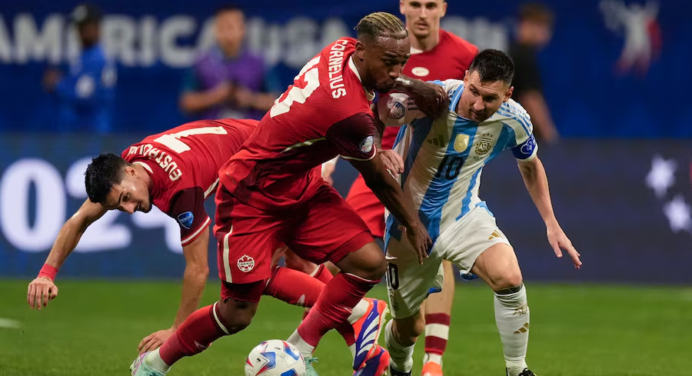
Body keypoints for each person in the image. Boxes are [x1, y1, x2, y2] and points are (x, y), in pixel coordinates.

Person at [130, 12, 448, 376]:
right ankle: (154, 364)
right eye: (389, 62)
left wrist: (410, 85)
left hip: (302, 188)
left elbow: (379, 86)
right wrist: (412, 224)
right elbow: (377, 177)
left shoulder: (341, 48)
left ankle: (299, 348)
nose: (396, 71)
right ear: (362, 51)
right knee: (237, 313)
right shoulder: (344, 110)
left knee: (368, 264)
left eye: (403, 62)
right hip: (251, 197)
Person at [26, 119, 386, 369]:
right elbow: (79, 220)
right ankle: (362, 335)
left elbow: (198, 270)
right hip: (264, 150)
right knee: (292, 265)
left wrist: (176, 331)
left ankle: (358, 314)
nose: (131, 209)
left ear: (132, 173)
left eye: (126, 198)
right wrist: (46, 273)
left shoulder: (180, 189)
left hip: (270, 167)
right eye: (120, 205)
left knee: (251, 279)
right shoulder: (128, 166)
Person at [376, 49, 582, 376]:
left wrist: (551, 223)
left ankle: (517, 370)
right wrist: (379, 146)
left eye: (489, 98)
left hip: (463, 217)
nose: (477, 105)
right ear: (465, 78)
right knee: (408, 329)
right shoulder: (433, 99)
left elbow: (530, 167)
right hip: (407, 225)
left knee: (509, 276)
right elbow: (379, 110)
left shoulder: (515, 119)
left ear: (507, 95)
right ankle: (398, 368)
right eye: (473, 91)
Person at [322, 2, 478, 374]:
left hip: (430, 176)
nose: (422, 12)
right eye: (415, 4)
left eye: (430, 4)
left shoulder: (465, 56)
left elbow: (480, 115)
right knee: (331, 253)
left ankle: (433, 362)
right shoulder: (379, 49)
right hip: (378, 167)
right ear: (403, 6)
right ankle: (363, 321)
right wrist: (329, 161)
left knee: (435, 251)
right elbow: (349, 104)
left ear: (442, 7)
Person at [179, 5, 275, 120]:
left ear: (243, 29)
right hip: (212, 131)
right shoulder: (201, 63)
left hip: (250, 131)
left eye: (232, 27)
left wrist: (250, 99)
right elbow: (186, 102)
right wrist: (216, 96)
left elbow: (275, 101)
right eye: (223, 28)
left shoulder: (259, 62)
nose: (228, 34)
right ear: (215, 30)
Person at [43, 3, 116, 133]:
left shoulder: (98, 58)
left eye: (86, 26)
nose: (82, 32)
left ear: (97, 27)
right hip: (78, 134)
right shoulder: (84, 57)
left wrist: (57, 84)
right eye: (79, 27)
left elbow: (85, 97)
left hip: (92, 134)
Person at [508, 2, 559, 144]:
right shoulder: (523, 57)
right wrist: (549, 134)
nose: (547, 35)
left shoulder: (511, 52)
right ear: (529, 25)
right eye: (544, 28)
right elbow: (531, 98)